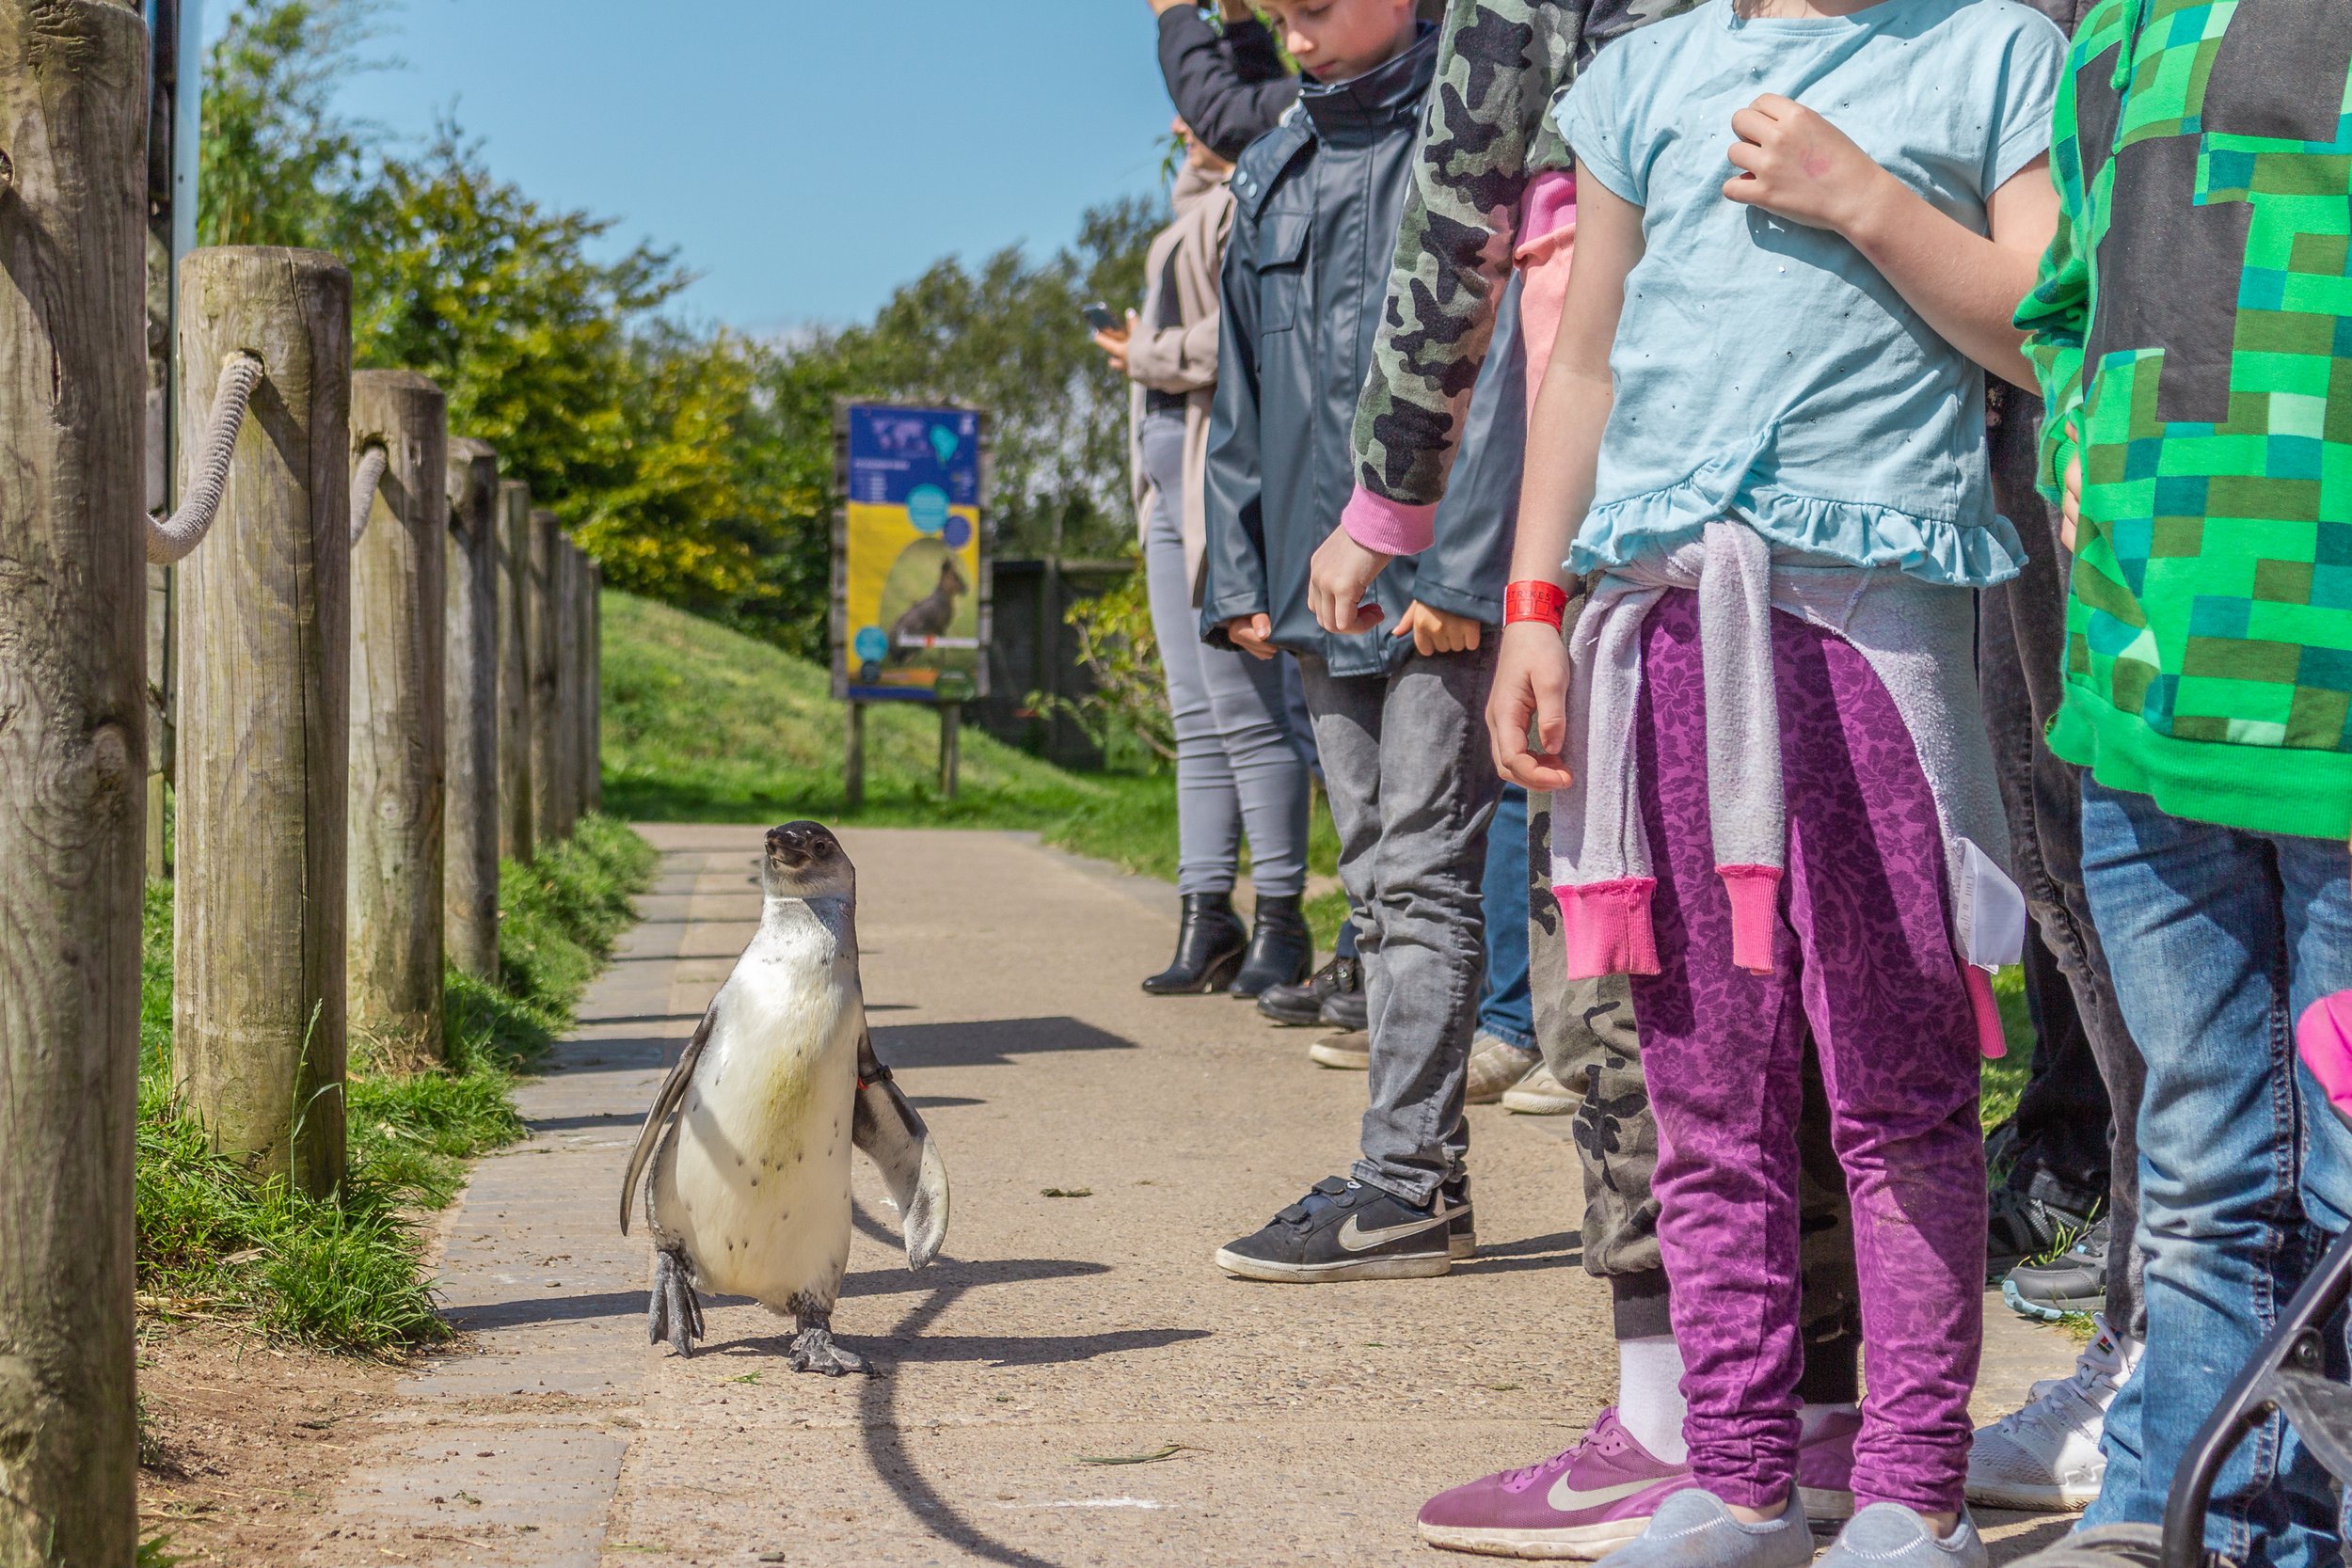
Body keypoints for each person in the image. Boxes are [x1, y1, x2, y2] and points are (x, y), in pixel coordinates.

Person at [1486, 1, 2068, 1564]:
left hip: (1877, 625)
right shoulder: (1642, 77)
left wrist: (1865, 199)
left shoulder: (1996, 50)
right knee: (1705, 1080)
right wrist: (1532, 608)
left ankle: (1906, 1491)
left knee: (1899, 1074)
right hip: (1666, 622)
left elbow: (2040, 321)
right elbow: (1588, 368)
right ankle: (1736, 1476)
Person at [1307, 2, 1874, 1554]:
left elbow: (1462, 194)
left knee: (1627, 967)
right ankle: (1819, 1406)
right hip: (1859, 468)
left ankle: (1673, 1407)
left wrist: (1388, 498)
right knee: (1799, 947)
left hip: (1635, 475)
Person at [2006, 3, 2352, 1563]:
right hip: (2148, 698)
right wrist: (2077, 443)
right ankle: (2181, 1504)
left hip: (2330, 703)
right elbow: (2066, 297)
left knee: (2347, 1191)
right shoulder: (2115, 32)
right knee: (2204, 1159)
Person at [1199, 0, 1518, 1283]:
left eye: (1316, 7)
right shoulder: (1274, 160)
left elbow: (1503, 368)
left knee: (1428, 872)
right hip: (1313, 588)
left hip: (1439, 579)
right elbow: (1241, 390)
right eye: (1276, 15)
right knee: (1378, 873)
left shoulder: (1476, 135)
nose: (1294, 30)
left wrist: (1459, 563)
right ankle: (1404, 1167)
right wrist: (1238, 571)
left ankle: (1409, 1179)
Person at [1099, 118, 1320, 1002]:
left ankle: (1282, 917)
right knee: (1194, 714)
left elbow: (1244, 337)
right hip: (1162, 491)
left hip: (1209, 486)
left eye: (1203, 110)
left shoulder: (1262, 196)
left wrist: (1140, 355)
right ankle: (1205, 912)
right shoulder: (1204, 205)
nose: (1183, 126)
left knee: (1247, 712)